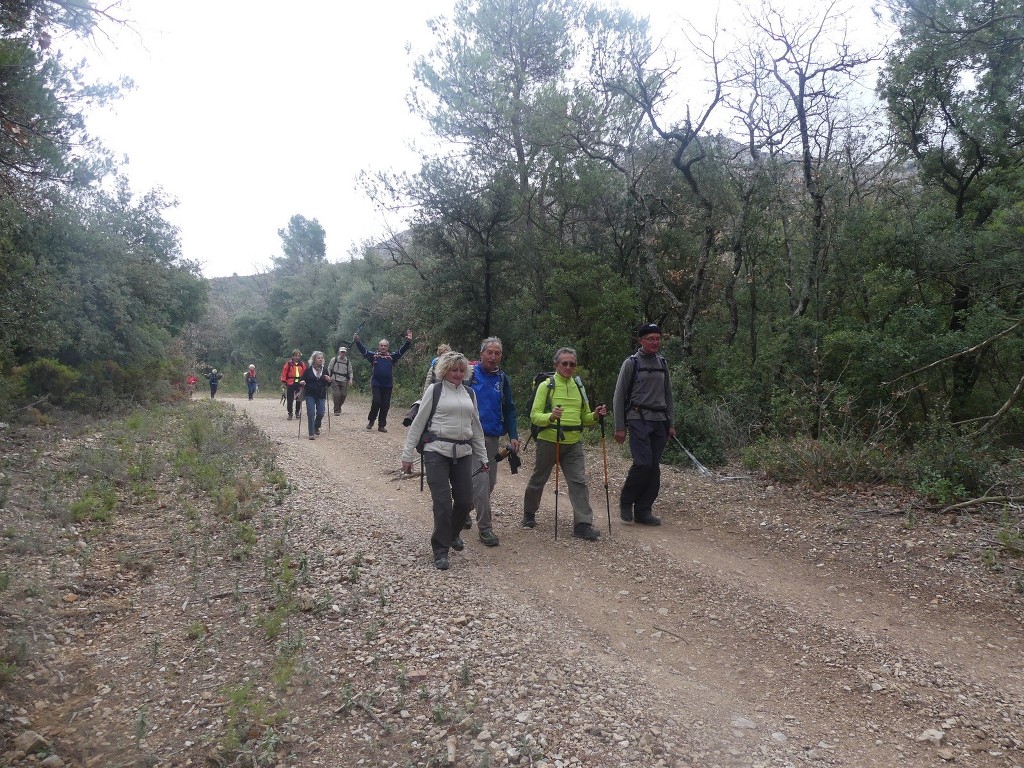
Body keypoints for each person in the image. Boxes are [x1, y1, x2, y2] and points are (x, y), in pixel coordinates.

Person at [401, 351, 488, 570]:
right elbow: (419, 423)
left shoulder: (469, 393)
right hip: (436, 452)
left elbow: (475, 427)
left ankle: (452, 534)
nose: (458, 374)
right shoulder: (435, 390)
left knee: (465, 501)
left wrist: (483, 457)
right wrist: (407, 455)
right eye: (454, 370)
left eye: (462, 370)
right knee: (442, 503)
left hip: (463, 453)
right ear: (444, 370)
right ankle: (440, 550)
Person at [522, 347, 608, 540]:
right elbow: (535, 416)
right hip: (549, 440)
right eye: (564, 363)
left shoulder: (579, 386)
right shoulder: (547, 385)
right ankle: (529, 512)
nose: (568, 367)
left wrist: (595, 415)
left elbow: (584, 418)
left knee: (578, 482)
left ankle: (583, 524)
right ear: (556, 365)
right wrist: (551, 417)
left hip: (573, 443)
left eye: (572, 364)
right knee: (539, 478)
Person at [613, 323, 676, 526]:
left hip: (660, 421)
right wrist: (619, 427)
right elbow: (619, 396)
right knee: (643, 463)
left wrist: (671, 423)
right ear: (641, 341)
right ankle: (626, 500)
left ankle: (643, 510)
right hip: (638, 418)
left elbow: (668, 395)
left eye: (658, 338)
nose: (655, 342)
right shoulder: (631, 363)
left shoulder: (662, 363)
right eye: (650, 339)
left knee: (654, 467)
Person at [466, 337, 519, 547]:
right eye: (489, 352)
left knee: (490, 483)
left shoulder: (502, 379)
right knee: (480, 481)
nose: (493, 357)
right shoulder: (469, 375)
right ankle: (485, 529)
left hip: (491, 437)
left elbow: (509, 408)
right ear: (481, 354)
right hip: (469, 436)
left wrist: (513, 434)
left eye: (497, 353)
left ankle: (461, 510)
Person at [354, 329, 412, 432]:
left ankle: (381, 425)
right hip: (376, 383)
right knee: (376, 402)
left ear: (387, 347)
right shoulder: (374, 356)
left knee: (385, 405)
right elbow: (364, 351)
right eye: (381, 345)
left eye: (385, 346)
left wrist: (408, 342)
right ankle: (371, 420)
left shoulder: (392, 357)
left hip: (388, 385)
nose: (383, 347)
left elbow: (401, 351)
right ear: (379, 346)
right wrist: (358, 342)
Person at [298, 351, 332, 440]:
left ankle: (316, 426)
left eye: (321, 358)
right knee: (311, 413)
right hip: (310, 394)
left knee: (321, 412)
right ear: (314, 360)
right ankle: (311, 433)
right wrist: (302, 382)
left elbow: (328, 385)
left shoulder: (325, 370)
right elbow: (302, 380)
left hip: (321, 394)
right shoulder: (308, 370)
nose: (320, 359)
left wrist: (329, 380)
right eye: (318, 358)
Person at [279, 349, 306, 421]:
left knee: (299, 399)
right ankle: (290, 413)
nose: (297, 357)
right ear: (293, 356)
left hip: (299, 383)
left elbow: (305, 372)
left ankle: (297, 412)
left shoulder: (302, 364)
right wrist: (283, 382)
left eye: (298, 356)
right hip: (291, 382)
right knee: (290, 399)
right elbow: (284, 373)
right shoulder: (288, 364)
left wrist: (305, 380)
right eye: (296, 356)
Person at [328, 346, 354, 415]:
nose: (342, 353)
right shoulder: (334, 359)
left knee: (343, 395)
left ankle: (338, 406)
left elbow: (350, 371)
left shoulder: (348, 362)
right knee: (337, 394)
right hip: (335, 379)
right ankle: (337, 410)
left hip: (344, 380)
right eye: (341, 352)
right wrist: (329, 377)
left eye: (344, 352)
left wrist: (351, 379)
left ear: (345, 353)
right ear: (339, 352)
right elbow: (329, 368)